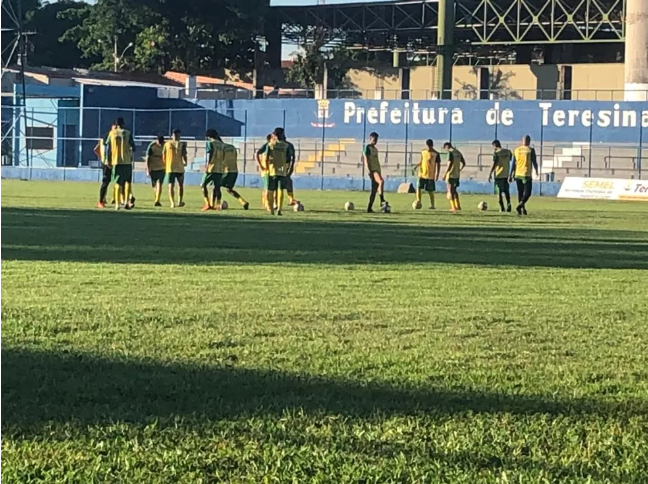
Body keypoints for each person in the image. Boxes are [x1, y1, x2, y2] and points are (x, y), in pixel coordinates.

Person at [106, 118, 135, 210]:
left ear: (116, 124)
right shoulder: (128, 133)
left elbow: (107, 147)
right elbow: (133, 147)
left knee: (117, 182)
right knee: (128, 182)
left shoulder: (111, 133)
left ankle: (117, 204)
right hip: (126, 162)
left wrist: (107, 159)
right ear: (123, 124)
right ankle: (126, 203)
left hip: (116, 161)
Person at [264, 127, 293, 216]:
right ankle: (279, 209)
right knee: (281, 190)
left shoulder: (270, 145)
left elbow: (266, 157)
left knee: (271, 191)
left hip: (272, 170)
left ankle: (272, 209)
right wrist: (288, 168)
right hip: (282, 170)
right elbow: (289, 159)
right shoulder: (286, 146)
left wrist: (266, 168)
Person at [510, 134, 539, 215]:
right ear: (529, 141)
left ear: (522, 141)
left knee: (520, 192)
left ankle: (522, 209)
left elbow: (513, 163)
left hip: (517, 174)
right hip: (526, 174)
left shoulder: (517, 150)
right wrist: (536, 171)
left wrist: (511, 174)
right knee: (528, 193)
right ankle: (521, 205)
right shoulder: (530, 150)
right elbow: (534, 162)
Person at [411, 139, 441, 209]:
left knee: (430, 191)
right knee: (418, 187)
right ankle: (418, 201)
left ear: (432, 145)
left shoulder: (436, 154)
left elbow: (438, 164)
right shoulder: (423, 152)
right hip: (422, 174)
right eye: (428, 146)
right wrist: (416, 166)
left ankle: (432, 205)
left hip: (430, 175)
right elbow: (422, 161)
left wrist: (437, 174)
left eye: (430, 146)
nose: (429, 148)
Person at [363, 132, 387, 213]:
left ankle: (369, 208)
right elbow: (366, 160)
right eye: (374, 139)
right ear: (370, 138)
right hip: (373, 170)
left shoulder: (376, 149)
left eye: (376, 139)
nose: (375, 141)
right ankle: (382, 199)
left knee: (373, 191)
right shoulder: (367, 147)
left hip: (377, 170)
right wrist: (368, 171)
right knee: (381, 181)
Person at [221, 142, 249, 209]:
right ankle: (243, 202)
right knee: (229, 189)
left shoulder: (220, 148)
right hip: (234, 171)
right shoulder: (232, 147)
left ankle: (214, 204)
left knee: (216, 186)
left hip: (226, 171)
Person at [201, 129, 224, 211]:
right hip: (220, 168)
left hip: (212, 168)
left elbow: (210, 154)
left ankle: (207, 204)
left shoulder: (210, 143)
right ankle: (218, 205)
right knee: (217, 188)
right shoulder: (221, 144)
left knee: (203, 185)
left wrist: (207, 165)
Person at [163, 128, 187, 208]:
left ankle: (174, 203)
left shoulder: (167, 144)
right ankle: (176, 202)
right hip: (178, 168)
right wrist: (185, 162)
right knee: (178, 185)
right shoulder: (181, 144)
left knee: (172, 185)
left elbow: (163, 156)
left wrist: (166, 163)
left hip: (171, 167)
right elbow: (184, 155)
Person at [488, 140, 512, 212]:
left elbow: (494, 163)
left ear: (494, 145)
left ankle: (502, 208)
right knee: (506, 192)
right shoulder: (508, 151)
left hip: (499, 175)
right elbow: (510, 159)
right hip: (506, 174)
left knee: (499, 193)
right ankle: (508, 204)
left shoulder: (496, 153)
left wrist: (490, 173)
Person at [94, 123, 114, 208]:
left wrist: (101, 158)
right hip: (108, 163)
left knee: (107, 181)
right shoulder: (109, 139)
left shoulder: (103, 138)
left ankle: (106, 199)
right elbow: (96, 149)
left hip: (106, 162)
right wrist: (105, 159)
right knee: (106, 181)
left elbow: (95, 149)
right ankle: (101, 201)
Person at [442, 142, 466, 212]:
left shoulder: (450, 153)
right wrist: (459, 170)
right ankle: (458, 206)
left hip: (451, 174)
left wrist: (445, 174)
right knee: (454, 191)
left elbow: (450, 164)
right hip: (457, 175)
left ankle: (453, 207)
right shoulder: (458, 152)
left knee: (450, 191)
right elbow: (464, 163)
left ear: (447, 147)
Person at [145, 135, 166, 207]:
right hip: (153, 168)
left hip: (162, 168)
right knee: (155, 186)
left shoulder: (165, 146)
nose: (160, 144)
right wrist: (148, 169)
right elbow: (148, 158)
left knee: (160, 183)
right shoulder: (152, 146)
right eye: (159, 142)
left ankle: (157, 200)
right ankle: (156, 199)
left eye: (161, 143)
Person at [256, 134, 272, 210]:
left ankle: (265, 203)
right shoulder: (267, 146)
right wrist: (261, 166)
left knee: (267, 188)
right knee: (267, 188)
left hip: (268, 170)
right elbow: (257, 153)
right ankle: (267, 205)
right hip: (266, 171)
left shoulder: (269, 146)